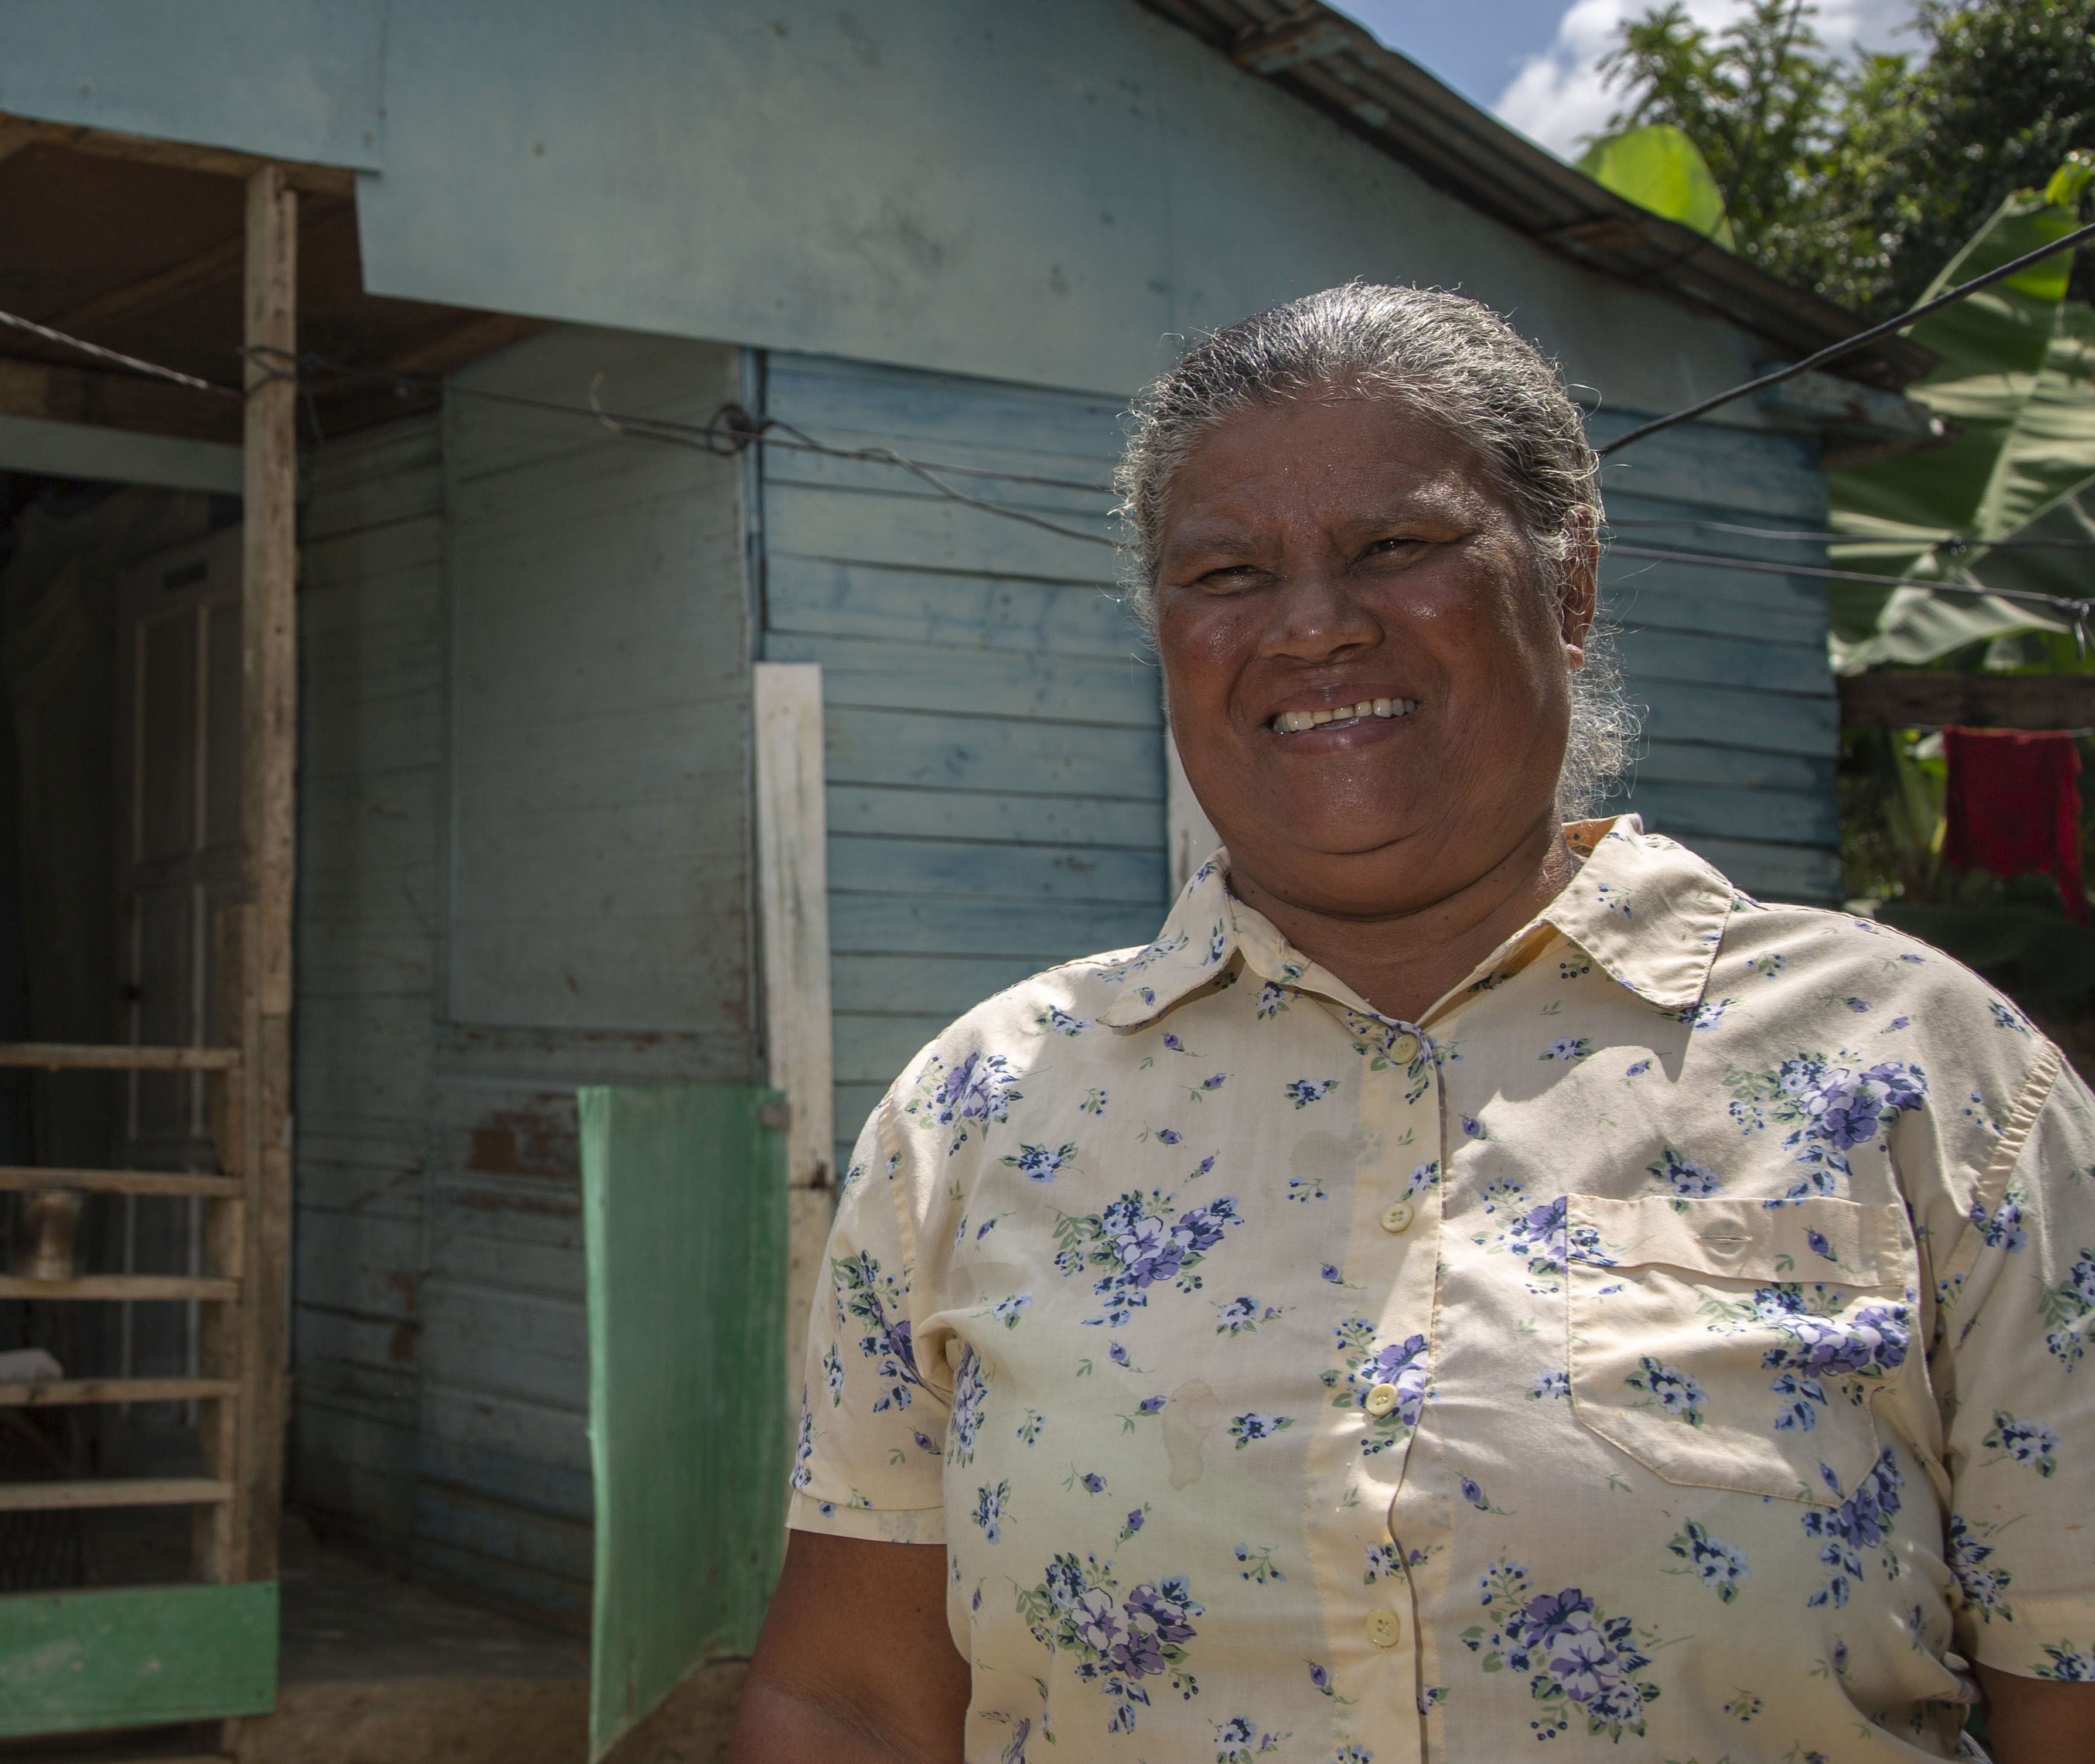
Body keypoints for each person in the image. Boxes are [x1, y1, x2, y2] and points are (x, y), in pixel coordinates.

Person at [732, 284, 2095, 1764]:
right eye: (1227, 572)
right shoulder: (981, 1109)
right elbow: (852, 1702)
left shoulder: (1918, 1069)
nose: (1315, 624)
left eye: (1395, 546)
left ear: (1569, 585)